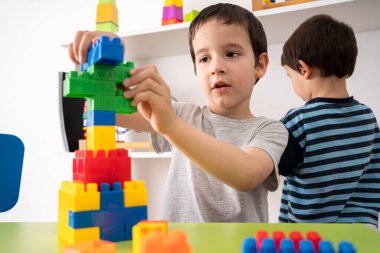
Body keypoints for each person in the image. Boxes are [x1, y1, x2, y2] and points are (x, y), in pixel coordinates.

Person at [68, 3, 288, 222]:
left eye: (231, 53)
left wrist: (171, 125)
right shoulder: (181, 114)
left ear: (260, 65)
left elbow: (245, 175)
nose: (216, 67)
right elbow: (106, 107)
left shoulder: (270, 130)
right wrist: (107, 63)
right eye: (204, 58)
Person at [278, 14, 380, 228]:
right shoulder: (367, 117)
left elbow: (272, 168)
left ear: (303, 69)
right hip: (363, 235)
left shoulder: (298, 121)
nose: (292, 83)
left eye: (290, 76)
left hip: (313, 238)